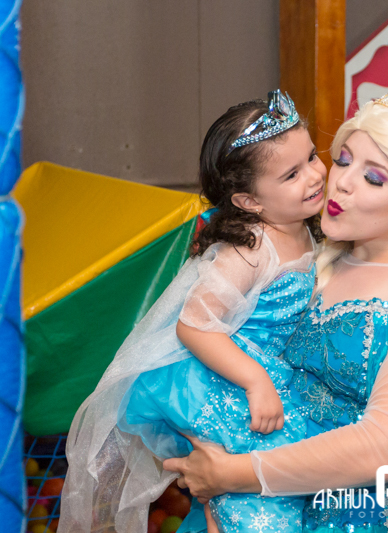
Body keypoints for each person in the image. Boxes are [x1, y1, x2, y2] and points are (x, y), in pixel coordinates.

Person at [164, 88, 388, 533]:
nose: (340, 181)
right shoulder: (313, 255)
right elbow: (220, 350)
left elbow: (384, 449)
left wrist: (230, 475)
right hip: (263, 495)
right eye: (344, 159)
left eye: (374, 178)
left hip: (361, 517)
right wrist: (215, 461)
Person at [59, 91, 327, 533]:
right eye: (292, 174)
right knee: (255, 507)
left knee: (280, 490)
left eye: (312, 156)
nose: (315, 174)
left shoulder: (303, 228)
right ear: (249, 202)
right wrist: (256, 381)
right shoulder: (251, 250)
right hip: (227, 381)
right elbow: (194, 326)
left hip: (277, 375)